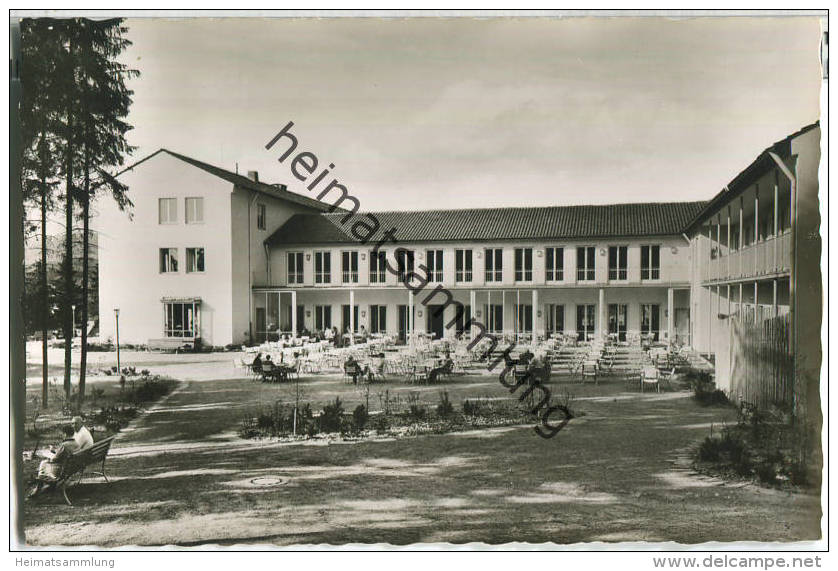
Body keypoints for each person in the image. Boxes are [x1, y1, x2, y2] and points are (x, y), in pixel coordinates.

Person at [29, 425, 79, 498]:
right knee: (45, 462)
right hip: (70, 468)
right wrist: (54, 451)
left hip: (60, 471)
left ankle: (39, 487)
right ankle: (49, 486)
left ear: (65, 434)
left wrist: (50, 455)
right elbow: (64, 454)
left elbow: (55, 459)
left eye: (62, 434)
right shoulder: (76, 444)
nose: (62, 435)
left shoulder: (64, 445)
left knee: (43, 463)